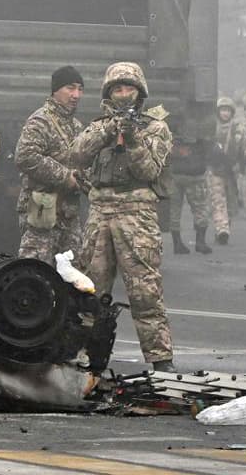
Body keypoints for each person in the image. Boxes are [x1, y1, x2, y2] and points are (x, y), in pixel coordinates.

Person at [70, 61, 175, 373]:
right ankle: (87, 358)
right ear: (108, 93)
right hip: (100, 212)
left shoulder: (156, 128)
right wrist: (108, 131)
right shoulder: (97, 125)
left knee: (145, 291)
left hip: (137, 213)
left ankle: (161, 360)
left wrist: (132, 139)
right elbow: (76, 154)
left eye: (129, 88)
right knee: (90, 290)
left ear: (139, 92)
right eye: (118, 88)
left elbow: (149, 170)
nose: (123, 93)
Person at [14, 65, 86, 265]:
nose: (76, 95)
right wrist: (65, 177)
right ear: (55, 90)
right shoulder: (41, 121)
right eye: (70, 88)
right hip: (42, 212)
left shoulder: (77, 126)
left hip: (68, 214)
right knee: (36, 272)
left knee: (72, 275)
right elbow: (25, 157)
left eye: (80, 89)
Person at [207, 96, 246, 245]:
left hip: (233, 172)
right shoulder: (211, 128)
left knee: (231, 203)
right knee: (218, 201)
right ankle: (222, 230)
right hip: (215, 170)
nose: (225, 113)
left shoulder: (238, 129)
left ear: (232, 112)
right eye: (222, 110)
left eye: (228, 110)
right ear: (218, 111)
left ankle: (224, 227)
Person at [165, 113, 213, 254]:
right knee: (200, 208)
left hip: (175, 173)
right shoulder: (202, 121)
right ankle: (200, 242)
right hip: (194, 174)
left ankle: (177, 244)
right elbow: (209, 147)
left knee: (174, 209)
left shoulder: (169, 119)